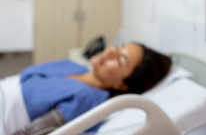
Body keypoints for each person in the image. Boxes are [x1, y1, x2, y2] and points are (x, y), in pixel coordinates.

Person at [1, 43, 171, 135]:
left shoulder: (88, 98)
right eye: (119, 47)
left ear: (122, 85)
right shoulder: (75, 66)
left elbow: (31, 133)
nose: (111, 51)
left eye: (120, 60)